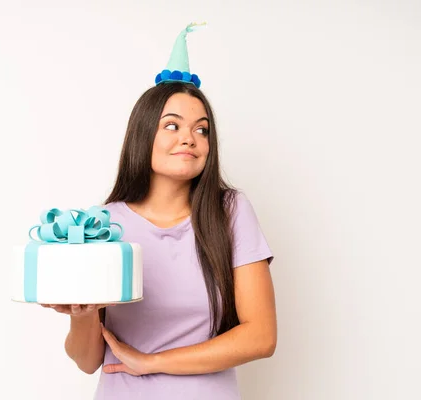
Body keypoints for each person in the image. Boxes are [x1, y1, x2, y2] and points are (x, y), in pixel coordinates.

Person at [41, 23, 276, 399]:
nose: (190, 138)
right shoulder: (103, 223)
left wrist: (151, 362)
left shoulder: (230, 211)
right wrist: (82, 315)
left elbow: (261, 336)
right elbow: (87, 360)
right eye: (173, 125)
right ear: (143, 134)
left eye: (202, 130)